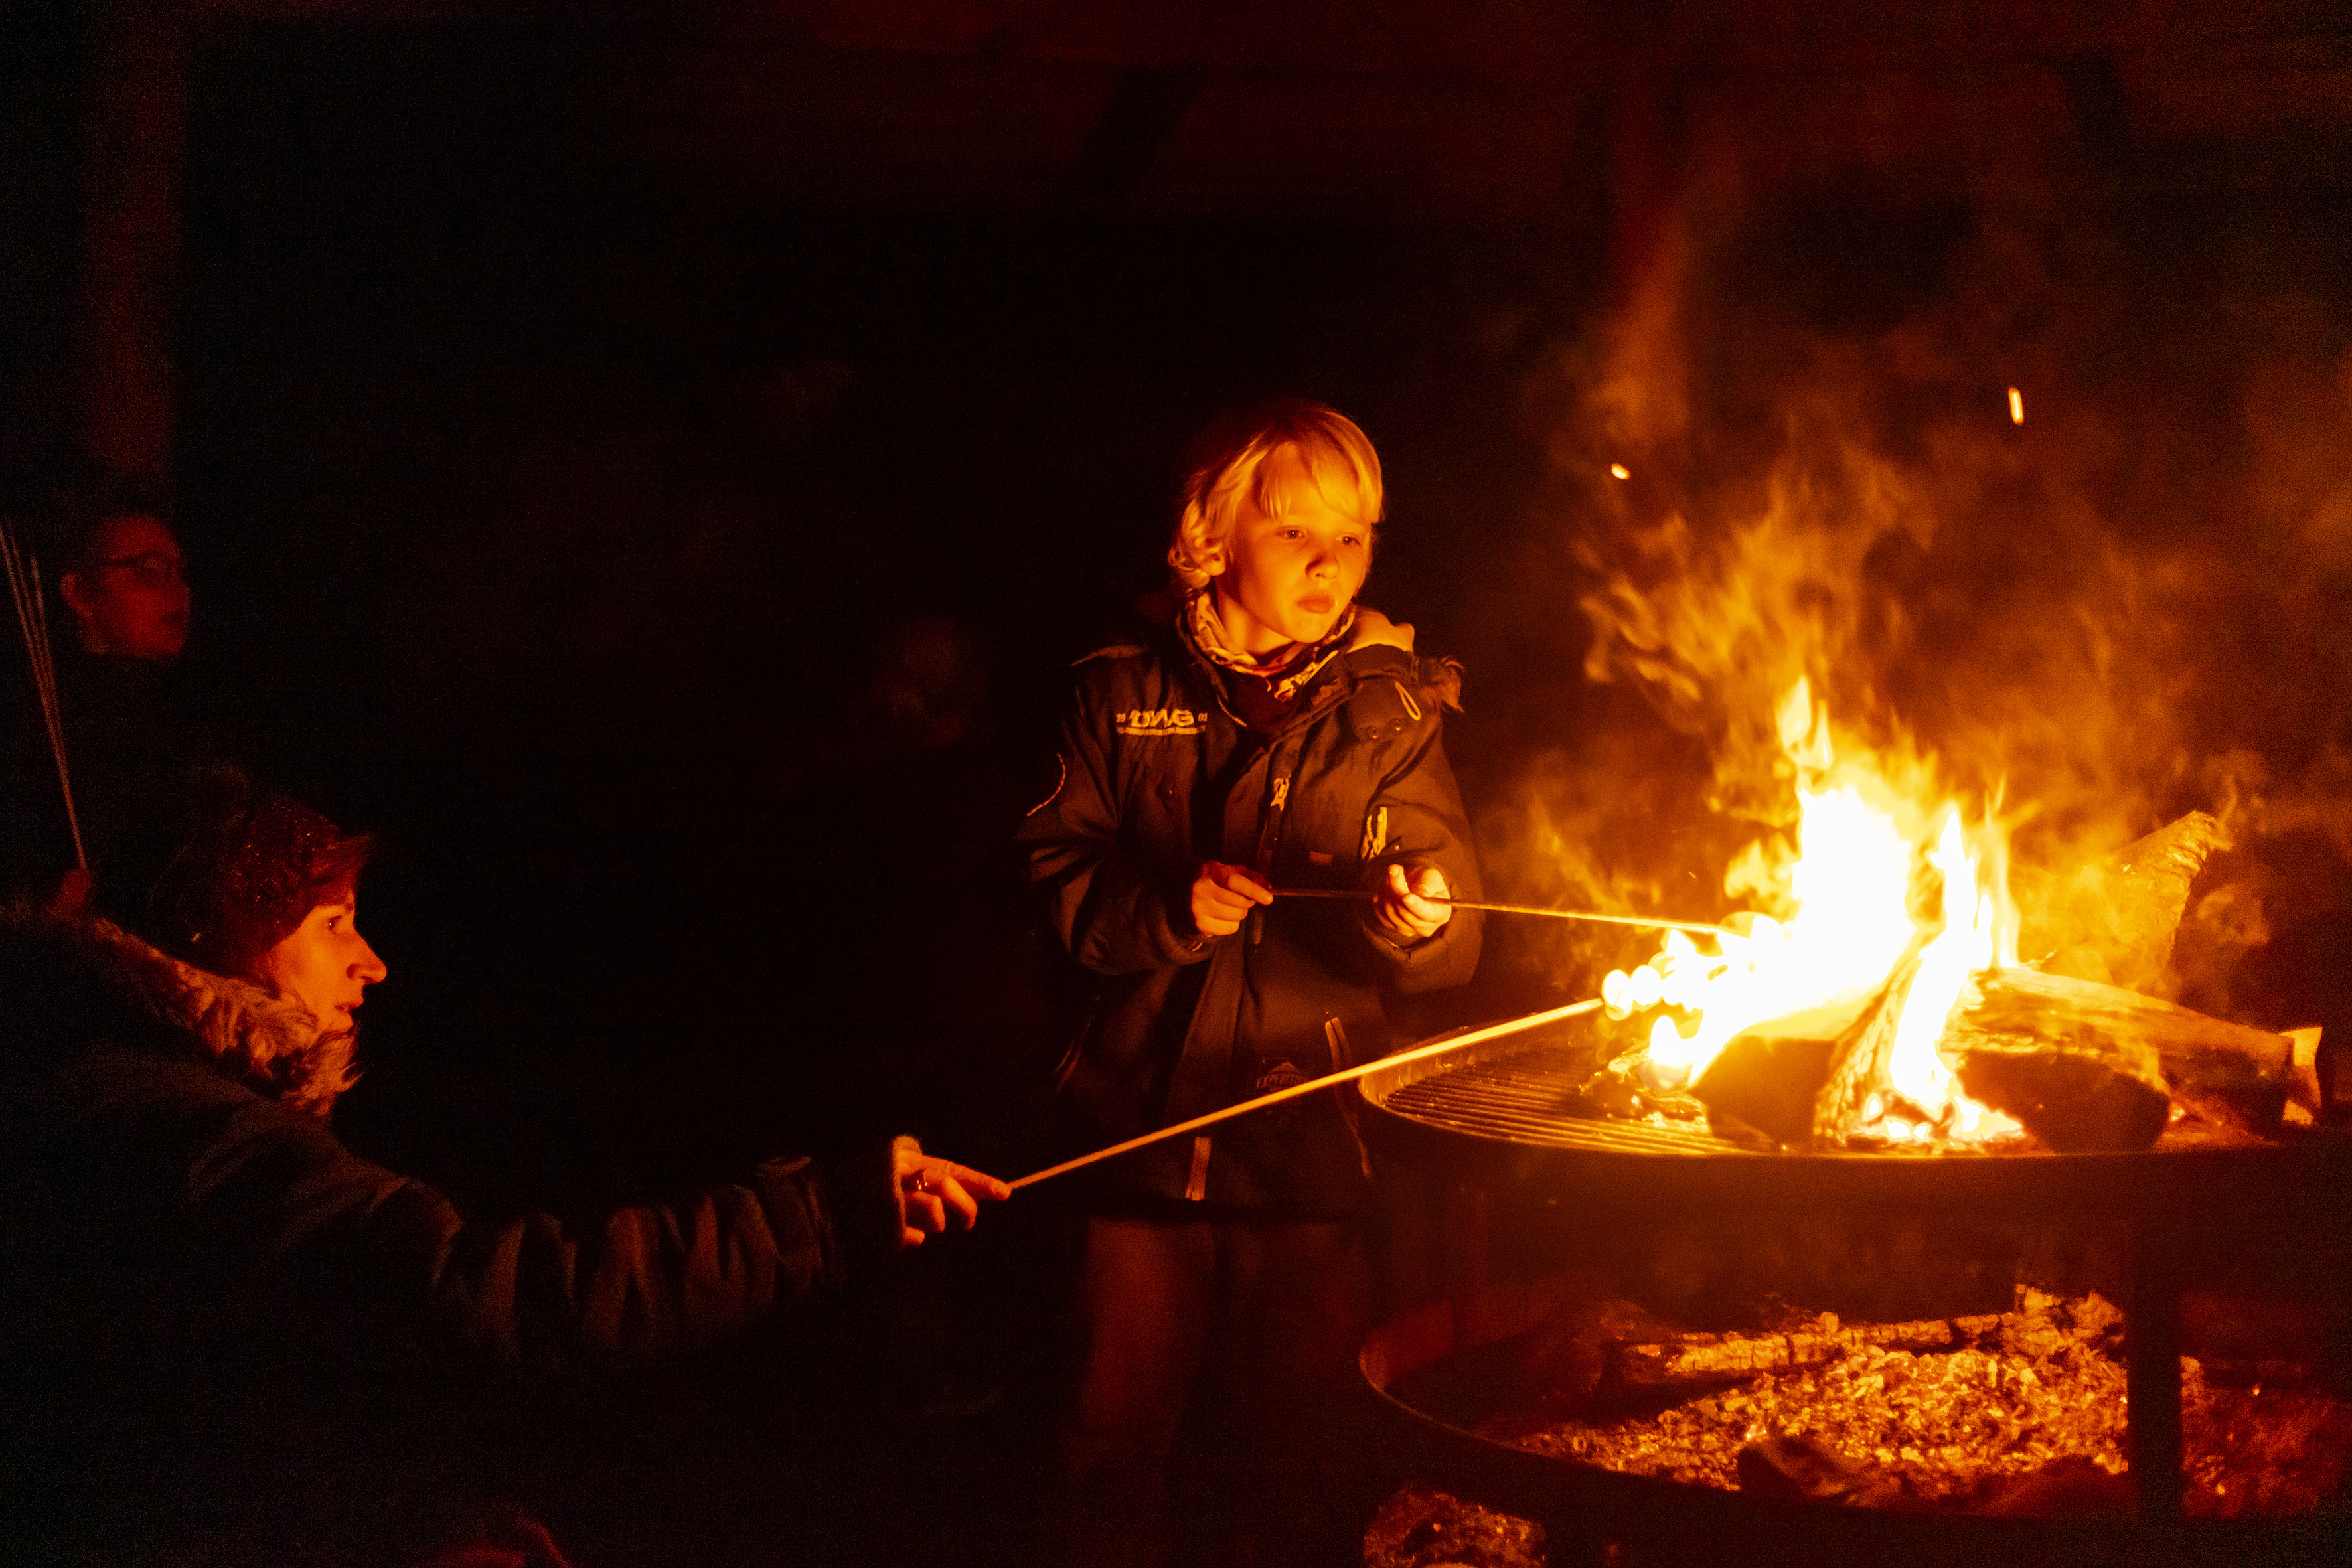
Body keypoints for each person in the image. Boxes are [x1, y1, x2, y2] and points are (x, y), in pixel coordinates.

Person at [0, 780, 1009, 1566]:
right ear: (228, 937)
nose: (372, 961)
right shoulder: (178, 1129)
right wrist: (817, 1218)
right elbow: (491, 1301)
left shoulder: (134, 1082)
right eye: (332, 924)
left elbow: (298, 1386)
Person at [1016, 401, 1484, 1565]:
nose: (1329, 565)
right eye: (1293, 535)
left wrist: (1416, 912)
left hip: (1307, 1140)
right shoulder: (1115, 688)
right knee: (1109, 1433)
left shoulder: (1391, 709)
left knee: (1301, 1442)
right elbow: (1045, 873)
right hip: (1135, 1133)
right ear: (1208, 538)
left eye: (1352, 538)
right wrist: (1165, 909)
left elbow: (1452, 917)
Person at [0, 477, 214, 923]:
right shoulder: (34, 720)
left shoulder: (192, 709)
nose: (179, 589)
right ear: (79, 594)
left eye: (180, 571)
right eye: (150, 569)